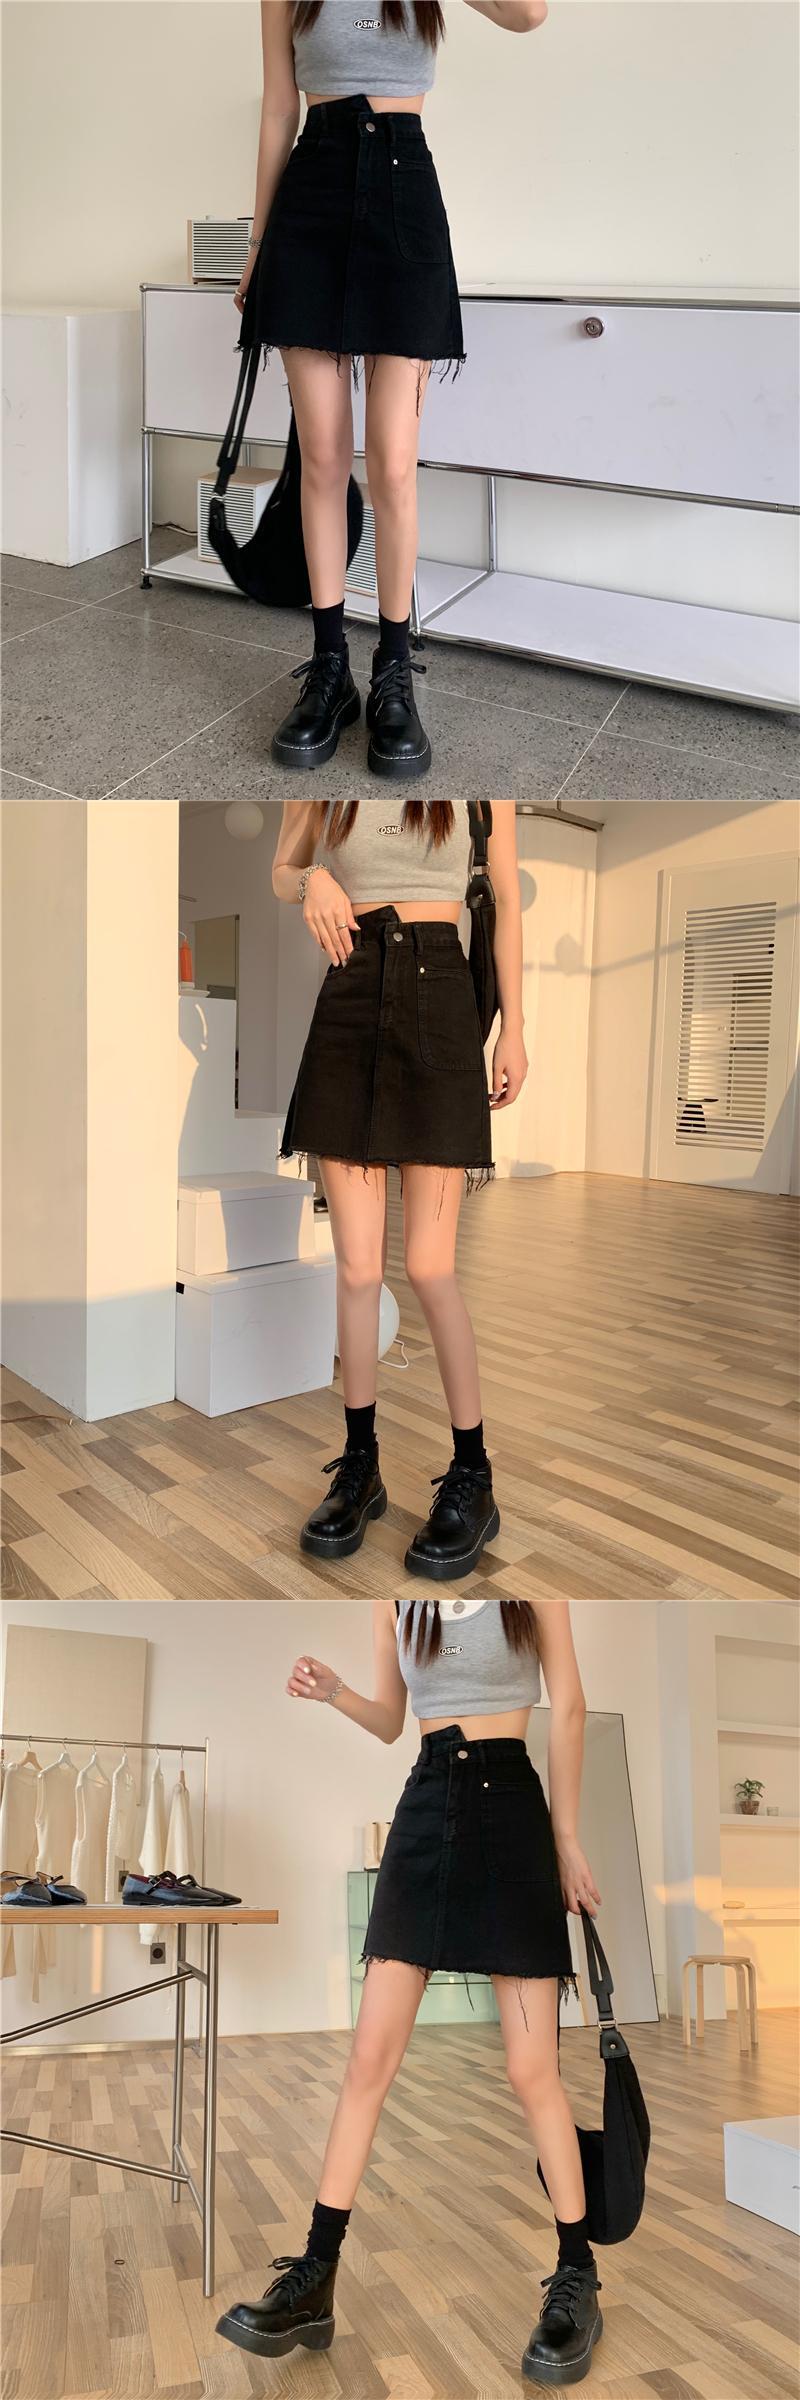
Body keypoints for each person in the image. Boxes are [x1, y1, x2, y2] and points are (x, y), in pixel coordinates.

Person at [217, 1597, 604, 2387]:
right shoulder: (395, 1601)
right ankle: (315, 2276)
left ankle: (577, 2278)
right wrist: (336, 1693)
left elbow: (570, 1705)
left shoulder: (535, 1594)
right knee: (369, 2061)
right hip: (426, 1809)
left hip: (512, 1815)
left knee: (532, 2071)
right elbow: (393, 1719)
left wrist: (566, 1837)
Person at [234, 0, 548, 777]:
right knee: (321, 458)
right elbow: (278, 109)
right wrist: (257, 245)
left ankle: (395, 672)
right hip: (310, 199)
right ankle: (330, 668)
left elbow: (529, 14)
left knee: (394, 466)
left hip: (405, 196)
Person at [272, 797, 526, 1579]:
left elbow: (506, 898)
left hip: (441, 998)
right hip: (349, 995)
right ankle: (361, 1465)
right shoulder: (325, 780)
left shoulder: (484, 786)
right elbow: (282, 869)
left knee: (429, 1266)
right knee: (356, 1270)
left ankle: (473, 1474)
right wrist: (312, 878)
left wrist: (514, 1028)